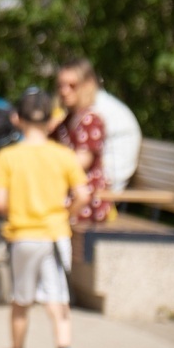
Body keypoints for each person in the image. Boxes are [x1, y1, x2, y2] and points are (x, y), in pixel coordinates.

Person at [0, 87, 91, 348]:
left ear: (16, 118)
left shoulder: (8, 157)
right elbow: (83, 194)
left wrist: (15, 210)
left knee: (21, 299)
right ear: (51, 121)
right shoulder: (63, 156)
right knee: (57, 298)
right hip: (56, 235)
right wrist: (67, 213)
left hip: (23, 235)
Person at [51, 58, 110, 224]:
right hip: (69, 192)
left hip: (88, 200)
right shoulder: (67, 120)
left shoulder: (90, 120)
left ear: (87, 85)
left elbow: (80, 163)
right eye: (60, 86)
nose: (64, 91)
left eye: (72, 86)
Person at [93, 87, 141, 192]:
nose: (64, 92)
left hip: (106, 192)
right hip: (100, 187)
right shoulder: (102, 106)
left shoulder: (101, 112)